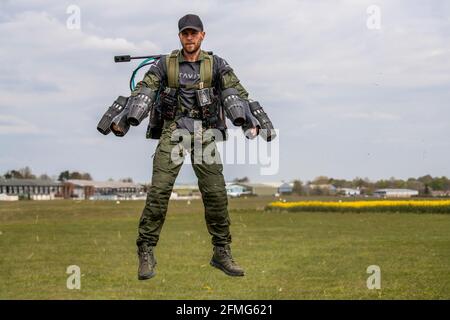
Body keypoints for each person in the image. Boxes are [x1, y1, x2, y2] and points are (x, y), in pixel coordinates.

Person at [133, 14, 258, 280]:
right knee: (159, 193)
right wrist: (128, 112)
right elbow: (145, 88)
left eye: (194, 33)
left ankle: (221, 251)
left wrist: (252, 121)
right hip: (173, 131)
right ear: (180, 36)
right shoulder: (165, 64)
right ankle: (145, 250)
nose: (189, 37)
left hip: (204, 134)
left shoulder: (216, 65)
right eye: (185, 33)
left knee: (216, 195)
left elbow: (238, 93)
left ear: (203, 35)